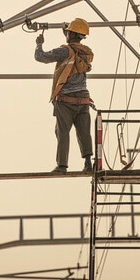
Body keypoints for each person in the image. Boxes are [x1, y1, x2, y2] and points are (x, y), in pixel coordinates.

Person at [35, 18, 94, 174]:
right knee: (84, 132)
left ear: (72, 33)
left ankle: (62, 165)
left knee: (62, 132)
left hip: (66, 100)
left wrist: (39, 43)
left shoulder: (64, 51)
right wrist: (68, 36)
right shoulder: (86, 52)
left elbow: (40, 57)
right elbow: (73, 50)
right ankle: (88, 163)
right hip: (83, 98)